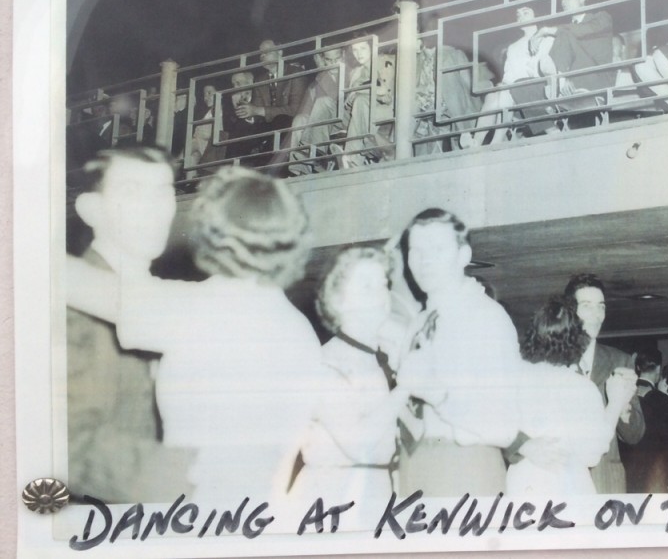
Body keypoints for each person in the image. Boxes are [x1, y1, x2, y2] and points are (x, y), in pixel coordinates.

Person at [66, 167, 324, 506]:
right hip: (264, 514)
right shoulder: (299, 330)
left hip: (198, 511)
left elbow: (70, 282)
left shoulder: (200, 310)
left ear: (210, 234)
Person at [66, 147, 195, 503]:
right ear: (91, 209)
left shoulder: (162, 297)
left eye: (162, 191)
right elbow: (66, 443)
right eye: (130, 192)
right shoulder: (73, 310)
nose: (152, 208)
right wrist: (195, 478)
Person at [395, 209, 522, 496]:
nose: (424, 260)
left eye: (437, 249)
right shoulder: (418, 324)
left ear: (463, 255)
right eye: (416, 250)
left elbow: (504, 426)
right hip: (412, 464)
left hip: (465, 466)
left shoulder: (487, 316)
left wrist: (439, 394)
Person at [289, 247, 409, 527]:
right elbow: (359, 444)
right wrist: (405, 388)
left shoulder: (381, 356)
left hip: (377, 491)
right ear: (338, 300)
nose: (381, 294)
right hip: (332, 496)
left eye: (383, 284)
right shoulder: (326, 364)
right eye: (367, 286)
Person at [508, 296, 637, 497]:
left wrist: (524, 446)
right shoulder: (581, 388)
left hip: (523, 484)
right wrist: (615, 402)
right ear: (577, 340)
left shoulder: (516, 379)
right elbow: (592, 455)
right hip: (567, 486)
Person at [561, 274, 645, 493]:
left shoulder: (620, 361)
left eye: (601, 307)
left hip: (605, 480)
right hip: (561, 479)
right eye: (587, 306)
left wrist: (624, 409)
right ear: (571, 312)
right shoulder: (553, 361)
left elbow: (635, 435)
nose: (597, 315)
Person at [465, 6, 555, 145]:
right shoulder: (513, 47)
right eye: (518, 14)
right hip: (513, 90)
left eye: (526, 13)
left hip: (536, 89)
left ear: (536, 16)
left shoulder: (546, 38)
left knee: (505, 92)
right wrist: (505, 83)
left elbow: (546, 66)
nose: (521, 16)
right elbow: (509, 74)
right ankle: (476, 142)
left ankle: (496, 141)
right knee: (492, 95)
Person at [534, 0, 615, 111]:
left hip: (597, 81)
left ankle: (557, 86)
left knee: (564, 33)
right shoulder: (564, 33)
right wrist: (566, 79)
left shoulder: (602, 17)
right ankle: (558, 84)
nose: (564, 1)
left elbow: (582, 30)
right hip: (572, 83)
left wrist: (545, 30)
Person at [620, 351, 668, 493]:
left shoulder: (625, 395)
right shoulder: (663, 401)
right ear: (658, 369)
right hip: (656, 473)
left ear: (637, 368)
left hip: (627, 469)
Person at [288, 45, 345, 174]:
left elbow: (339, 101)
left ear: (344, 56)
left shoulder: (350, 73)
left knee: (322, 101)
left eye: (337, 58)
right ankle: (298, 169)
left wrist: (322, 72)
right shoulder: (316, 82)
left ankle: (314, 152)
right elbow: (307, 111)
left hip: (345, 118)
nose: (333, 63)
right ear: (323, 59)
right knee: (299, 119)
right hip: (322, 124)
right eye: (329, 60)